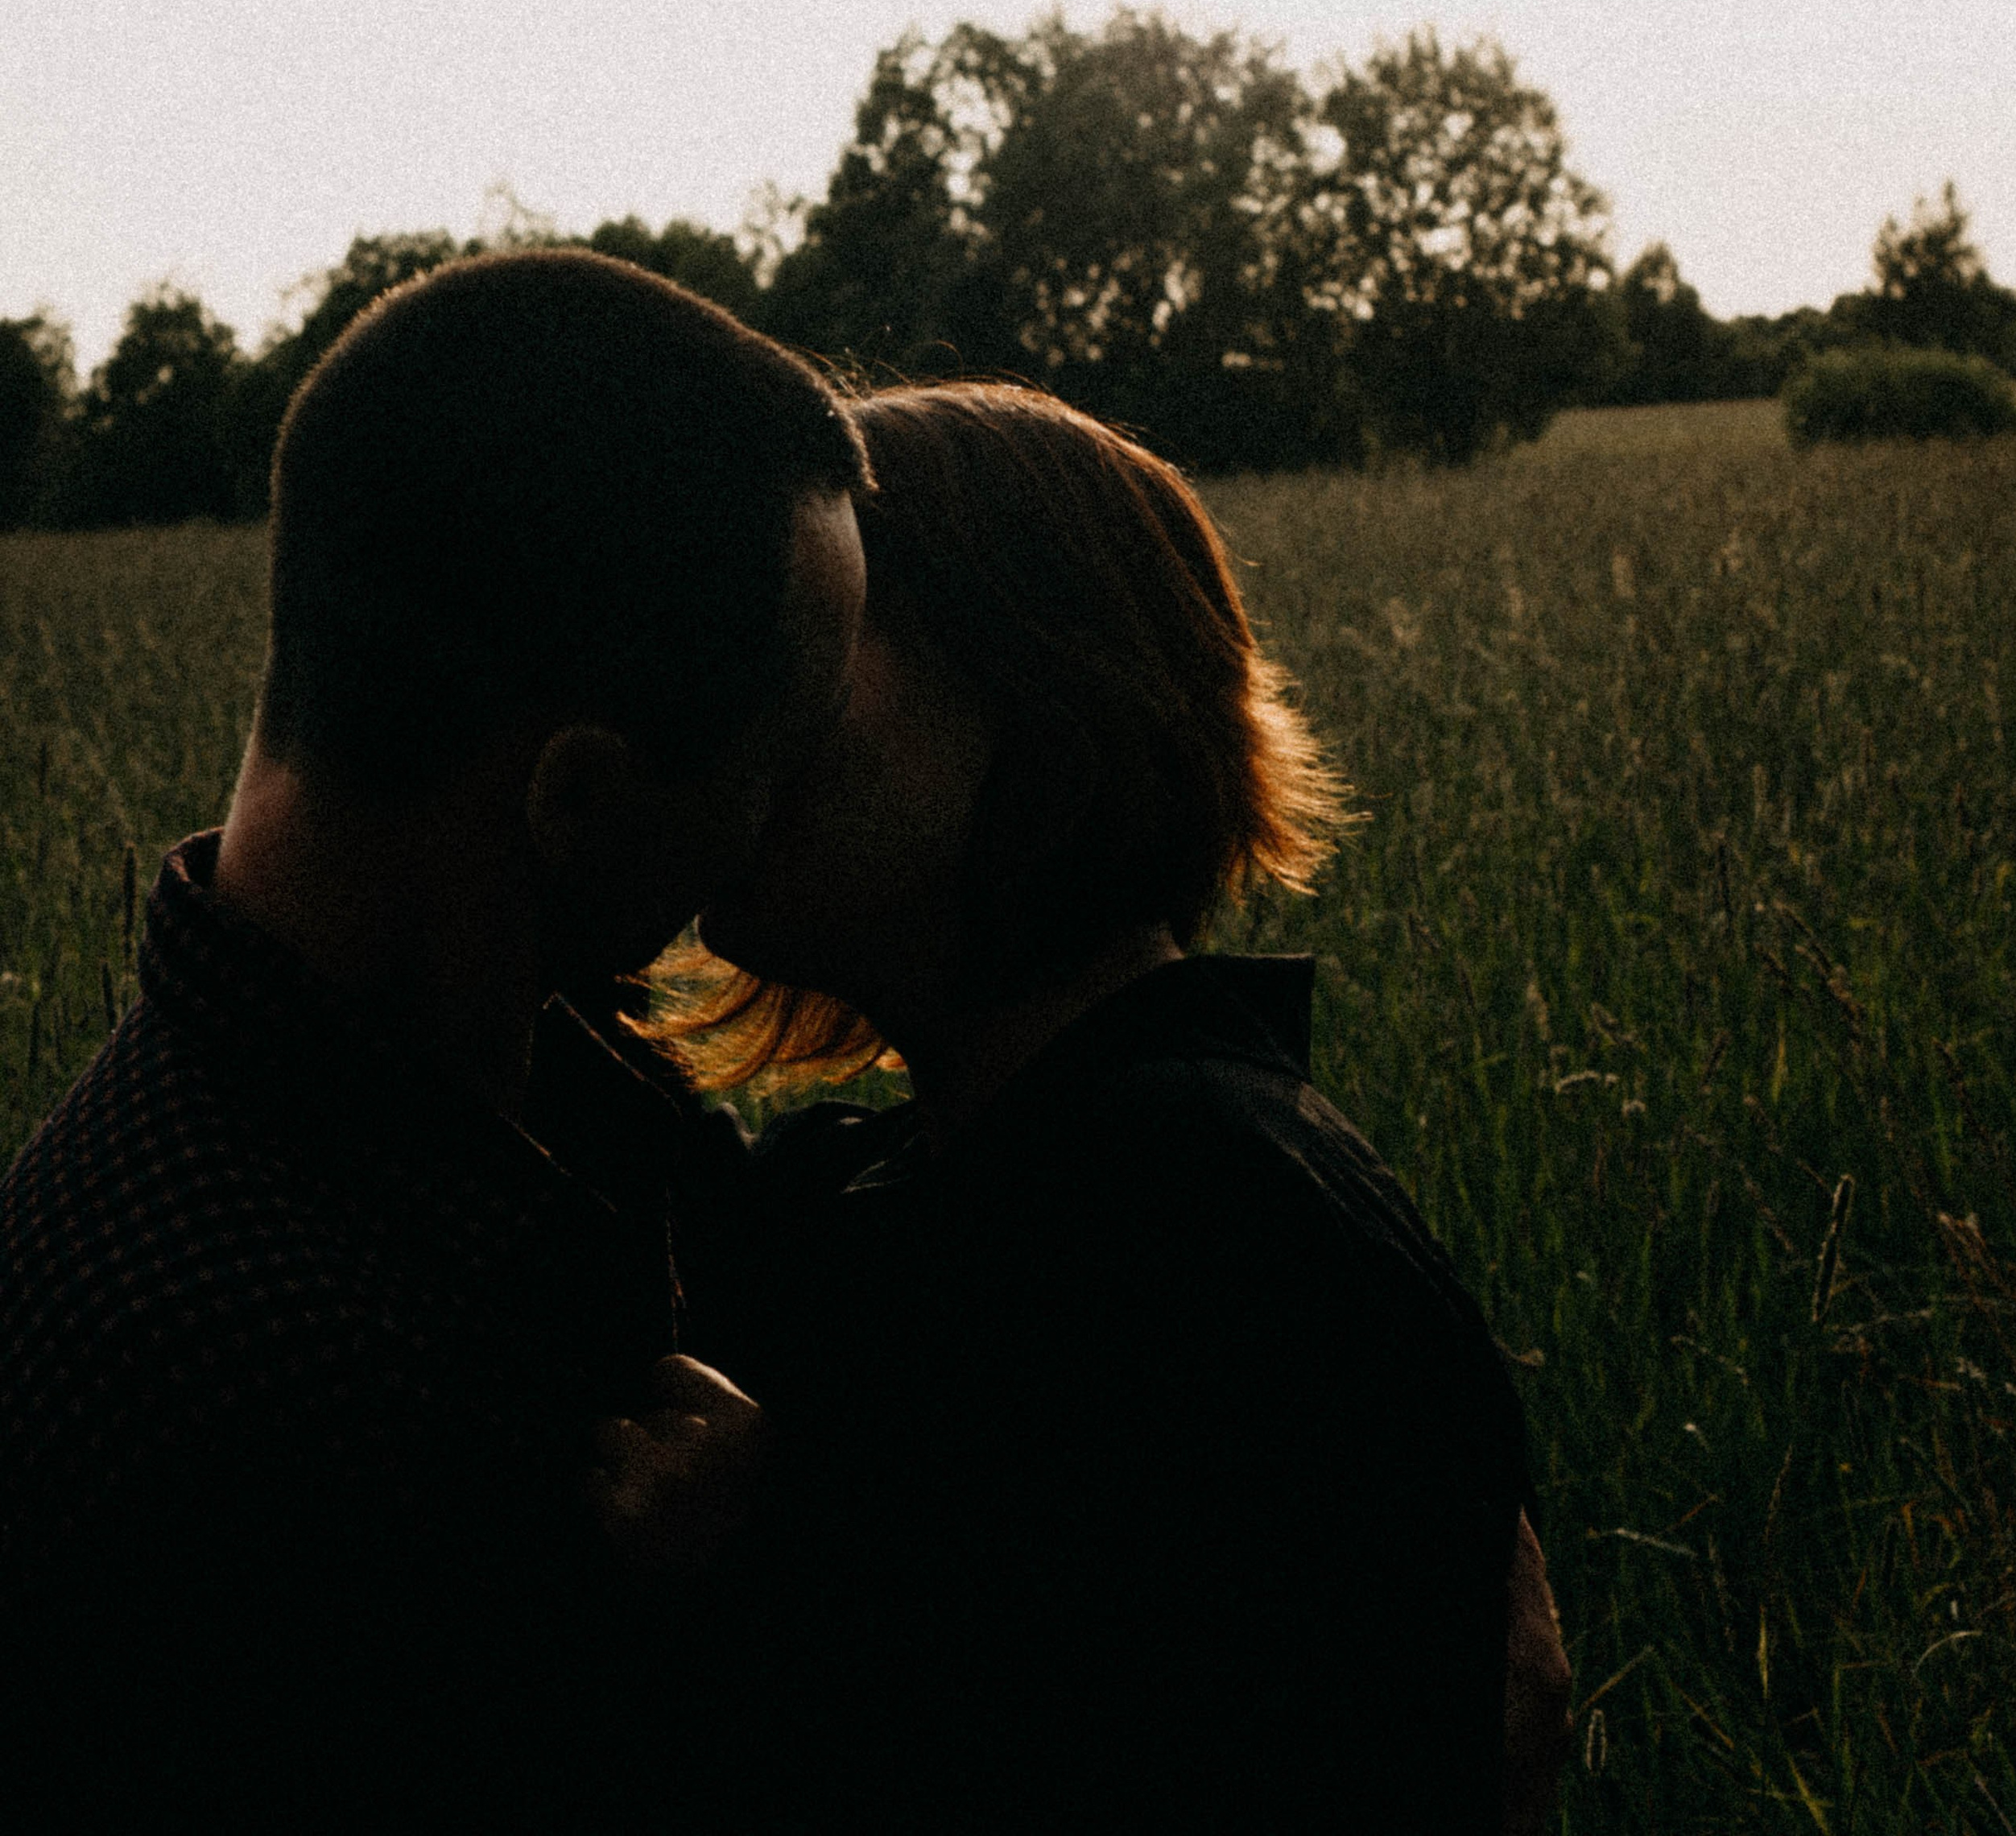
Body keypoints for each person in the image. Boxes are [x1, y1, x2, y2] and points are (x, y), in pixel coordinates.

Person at [619, 377, 1572, 1834]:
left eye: (817, 642)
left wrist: (764, 1572)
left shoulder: (1210, 1233)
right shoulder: (947, 1176)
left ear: (1039, 693)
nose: (735, 707)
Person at [0, 250, 867, 1829]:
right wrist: (699, 1632)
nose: (796, 830)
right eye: (780, 767)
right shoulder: (273, 1405)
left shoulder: (514, 1064)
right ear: (577, 800)